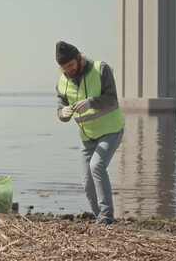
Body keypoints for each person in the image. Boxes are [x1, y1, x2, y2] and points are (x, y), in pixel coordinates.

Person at [55, 41, 124, 225]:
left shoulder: (101, 69)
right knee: (87, 183)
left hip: (111, 130)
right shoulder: (62, 81)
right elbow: (60, 107)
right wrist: (63, 113)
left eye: (71, 65)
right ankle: (99, 217)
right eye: (64, 67)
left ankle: (107, 218)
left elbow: (112, 101)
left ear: (78, 59)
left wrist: (91, 102)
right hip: (87, 137)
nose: (68, 70)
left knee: (97, 167)